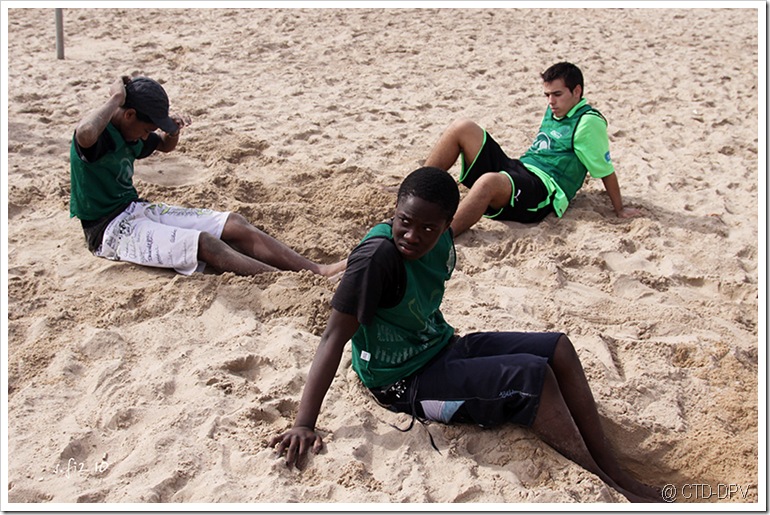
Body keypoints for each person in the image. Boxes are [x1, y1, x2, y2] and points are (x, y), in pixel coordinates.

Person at [268, 167, 660, 503]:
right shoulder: (376, 260)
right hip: (402, 381)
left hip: (441, 347)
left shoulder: (440, 242)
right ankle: (610, 483)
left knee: (557, 347)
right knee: (531, 377)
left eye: (427, 228)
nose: (412, 236)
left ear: (445, 226)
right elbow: (333, 337)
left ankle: (613, 466)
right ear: (394, 212)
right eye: (404, 222)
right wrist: (305, 422)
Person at [69, 75, 346, 278]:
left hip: (135, 209)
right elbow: (83, 134)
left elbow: (164, 145)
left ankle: (316, 270)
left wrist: (171, 131)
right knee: (203, 242)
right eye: (146, 128)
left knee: (234, 223)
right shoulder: (100, 136)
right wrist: (115, 98)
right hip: (109, 231)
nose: (146, 135)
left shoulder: (131, 132)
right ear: (128, 114)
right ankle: (289, 280)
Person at [423, 62, 642, 237]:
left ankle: (441, 238)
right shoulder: (556, 108)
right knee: (462, 127)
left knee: (488, 181)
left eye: (557, 94)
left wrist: (620, 209)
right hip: (521, 168)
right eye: (547, 95)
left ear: (577, 91)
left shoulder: (588, 123)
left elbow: (605, 169)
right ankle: (416, 188)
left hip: (543, 190)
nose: (550, 101)